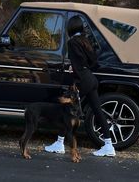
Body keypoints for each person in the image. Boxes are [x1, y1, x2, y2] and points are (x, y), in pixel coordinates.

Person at [44, 15, 116, 157]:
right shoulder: (86, 40)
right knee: (97, 111)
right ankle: (109, 145)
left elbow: (78, 62)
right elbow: (94, 61)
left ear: (71, 27)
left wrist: (75, 70)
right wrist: (81, 67)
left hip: (82, 80)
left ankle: (59, 143)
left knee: (67, 109)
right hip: (91, 79)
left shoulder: (72, 42)